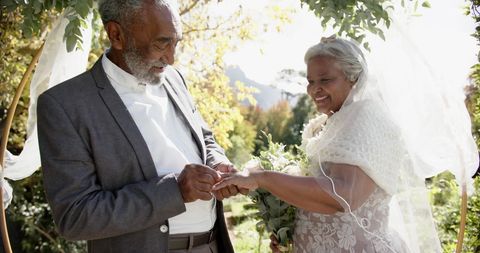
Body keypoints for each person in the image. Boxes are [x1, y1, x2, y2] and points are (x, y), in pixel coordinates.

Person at [37, 0, 241, 252]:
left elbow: (205, 139)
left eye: (175, 43)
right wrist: (174, 191)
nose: (171, 58)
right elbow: (75, 217)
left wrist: (217, 163)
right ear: (117, 35)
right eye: (161, 43)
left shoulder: (175, 80)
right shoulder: (65, 105)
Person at [213, 36, 447, 253]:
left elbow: (344, 196)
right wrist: (292, 234)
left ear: (353, 78)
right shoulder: (321, 126)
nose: (315, 89)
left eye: (325, 80)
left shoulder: (368, 117)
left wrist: (262, 178)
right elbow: (316, 197)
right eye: (311, 81)